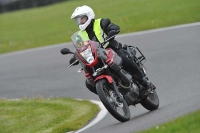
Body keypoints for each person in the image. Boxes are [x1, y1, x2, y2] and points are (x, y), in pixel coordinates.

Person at [70, 5, 154, 94]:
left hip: (113, 49)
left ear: (89, 16)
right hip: (96, 57)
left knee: (124, 59)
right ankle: (108, 95)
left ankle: (144, 83)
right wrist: (75, 57)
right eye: (78, 20)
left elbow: (113, 27)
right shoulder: (79, 36)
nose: (80, 22)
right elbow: (80, 48)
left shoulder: (101, 22)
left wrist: (112, 31)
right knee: (89, 83)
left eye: (82, 19)